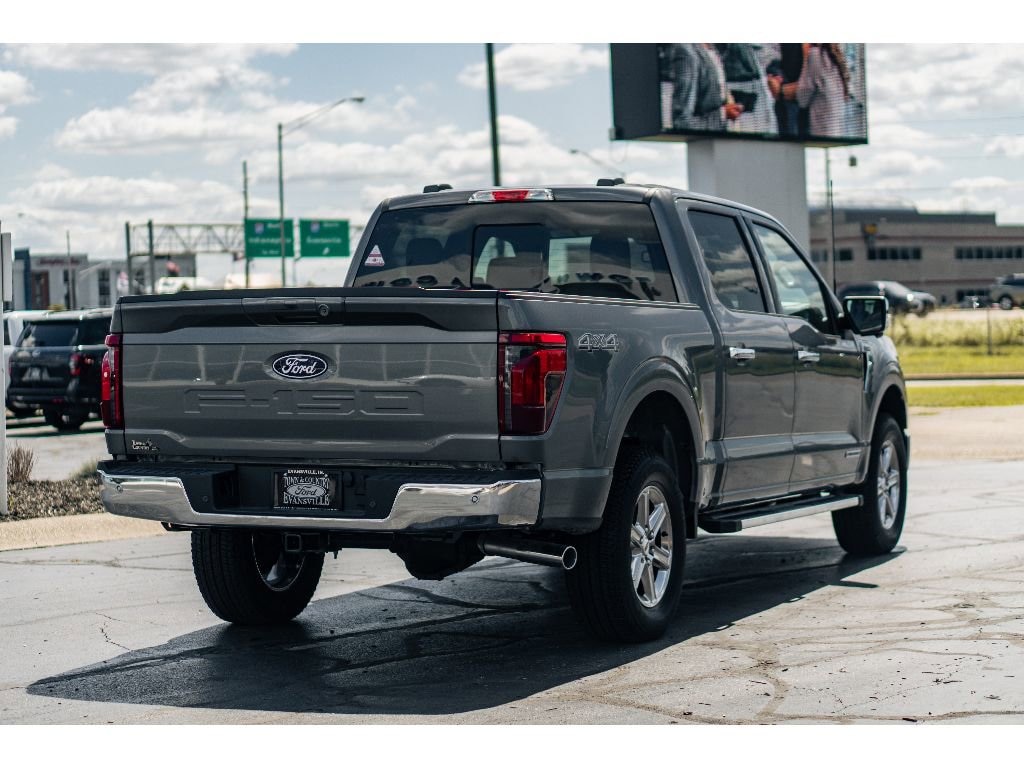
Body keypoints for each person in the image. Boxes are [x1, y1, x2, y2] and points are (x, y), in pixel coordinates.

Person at [668, 44, 742, 132]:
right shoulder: (687, 52)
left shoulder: (713, 49)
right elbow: (682, 122)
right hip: (703, 139)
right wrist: (723, 114)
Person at [793, 44, 851, 138]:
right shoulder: (834, 59)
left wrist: (805, 57)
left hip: (820, 133)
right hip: (835, 133)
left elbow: (802, 99)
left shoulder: (815, 55)